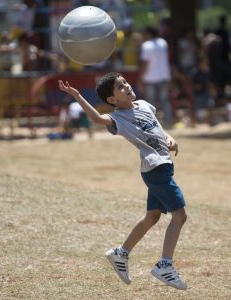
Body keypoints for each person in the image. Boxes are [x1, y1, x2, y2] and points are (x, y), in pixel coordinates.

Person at [58, 72, 188, 290]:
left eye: (125, 82)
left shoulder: (145, 105)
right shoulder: (118, 118)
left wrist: (168, 138)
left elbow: (156, 128)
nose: (127, 86)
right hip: (155, 168)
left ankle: (121, 253)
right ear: (112, 100)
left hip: (160, 166)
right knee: (180, 215)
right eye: (120, 87)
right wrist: (78, 96)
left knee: (153, 216)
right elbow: (98, 119)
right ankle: (164, 265)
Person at [138, 26, 173, 129]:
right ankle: (168, 123)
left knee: (150, 102)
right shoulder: (163, 43)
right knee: (165, 101)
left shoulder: (146, 45)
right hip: (164, 76)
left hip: (150, 77)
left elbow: (145, 63)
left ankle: (152, 124)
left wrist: (141, 78)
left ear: (148, 34)